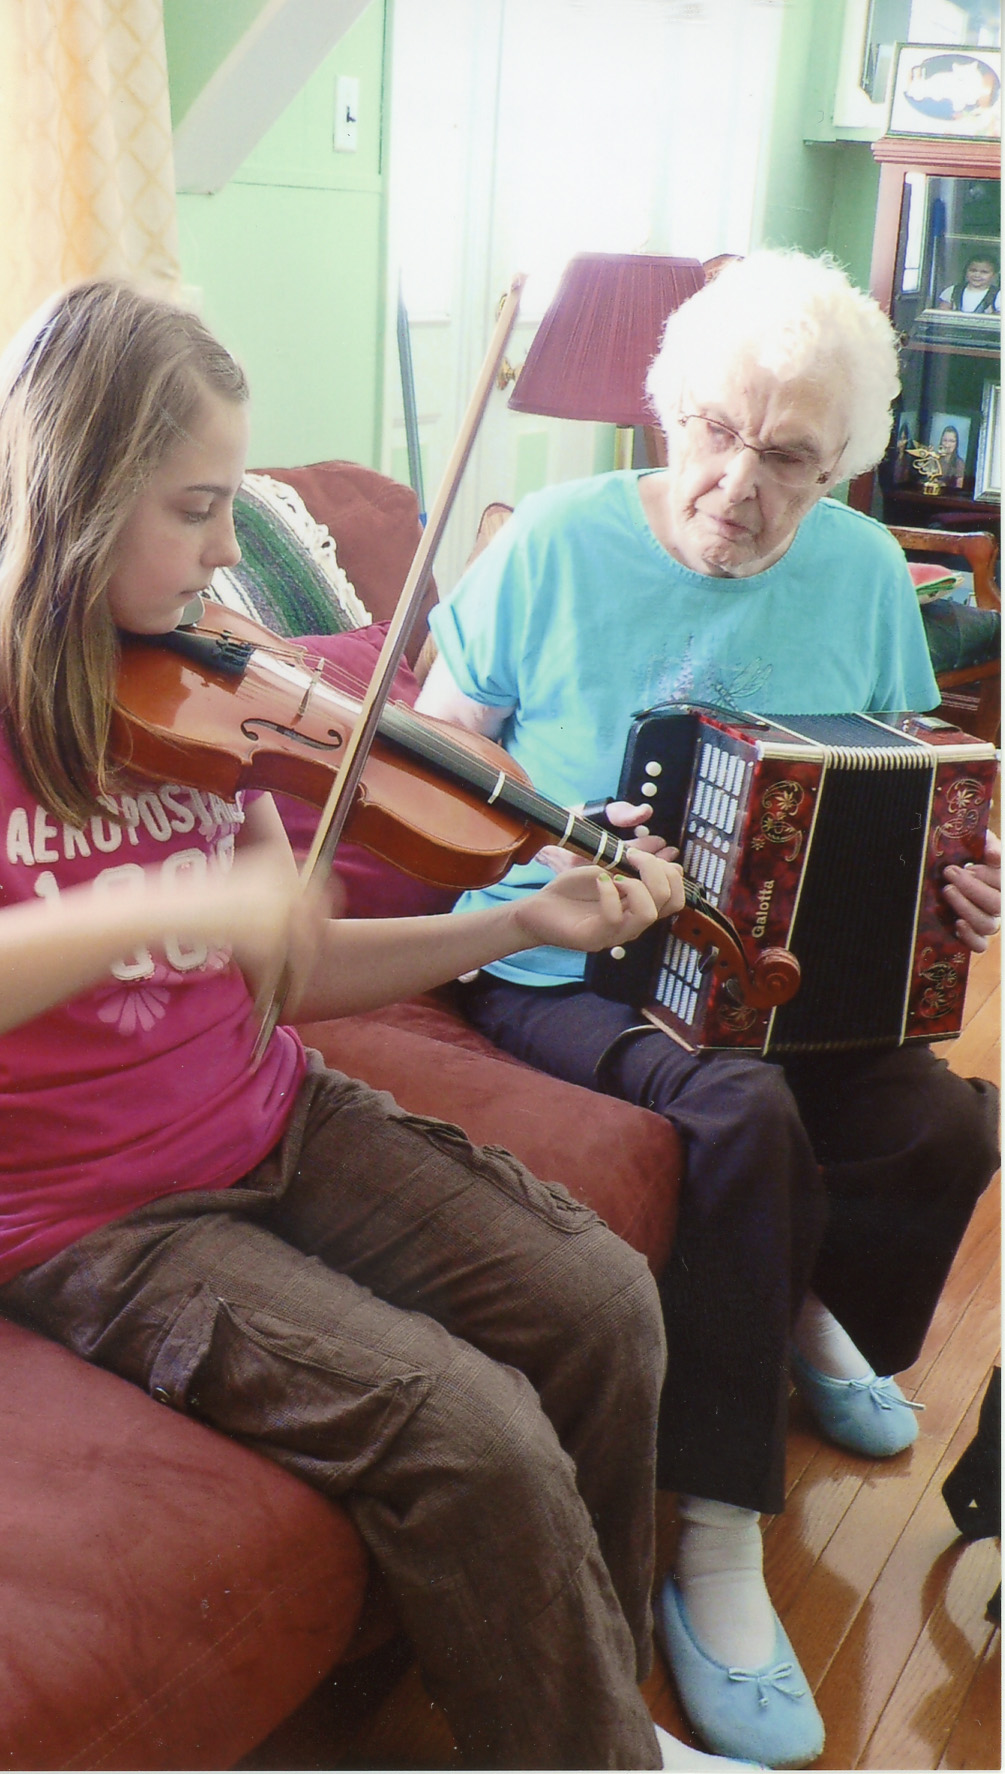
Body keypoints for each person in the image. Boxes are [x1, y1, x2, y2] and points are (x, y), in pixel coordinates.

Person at [0, 278, 779, 1774]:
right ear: (72, 497)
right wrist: (124, 917)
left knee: (601, 1302)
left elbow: (292, 969)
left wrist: (517, 921)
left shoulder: (197, 676)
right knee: (473, 1433)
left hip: (275, 1111)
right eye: (199, 507)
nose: (224, 554)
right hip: (92, 1219)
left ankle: (594, 1712)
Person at [415, 249, 1001, 1768]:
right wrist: (541, 842)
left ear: (840, 466)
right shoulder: (546, 541)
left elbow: (902, 766)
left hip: (769, 963)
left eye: (791, 455)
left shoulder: (868, 571)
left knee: (947, 1119)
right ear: (668, 409)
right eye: (717, 432)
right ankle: (719, 1533)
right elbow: (425, 761)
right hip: (556, 950)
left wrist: (960, 878)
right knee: (737, 1113)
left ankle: (805, 1306)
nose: (739, 482)